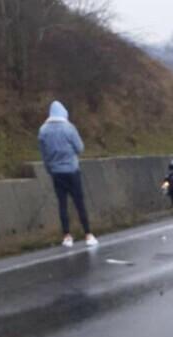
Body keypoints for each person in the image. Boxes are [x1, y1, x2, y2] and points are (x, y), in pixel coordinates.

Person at [38, 100, 98, 248]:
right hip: (72, 171)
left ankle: (67, 236)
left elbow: (44, 154)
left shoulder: (43, 131)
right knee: (79, 203)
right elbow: (79, 148)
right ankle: (88, 234)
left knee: (62, 204)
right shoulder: (69, 128)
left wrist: (49, 169)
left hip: (56, 173)